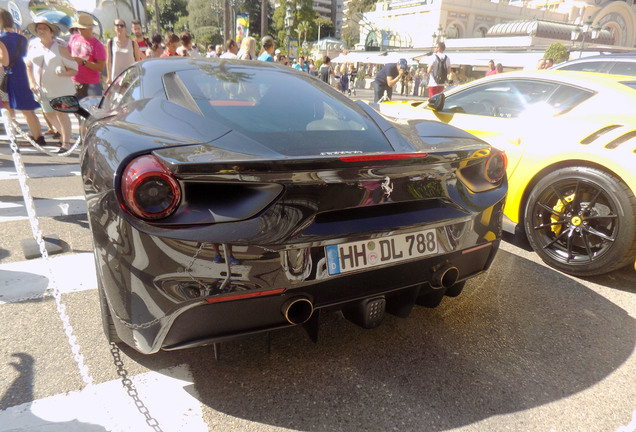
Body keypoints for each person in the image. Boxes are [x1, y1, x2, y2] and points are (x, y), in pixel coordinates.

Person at [25, 17, 77, 152]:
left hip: (60, 89)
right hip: (42, 90)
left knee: (61, 114)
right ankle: (65, 136)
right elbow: (28, 66)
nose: (41, 31)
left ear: (51, 32)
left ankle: (65, 143)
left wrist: (62, 73)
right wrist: (31, 81)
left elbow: (74, 68)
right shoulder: (33, 46)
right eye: (39, 29)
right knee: (48, 114)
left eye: (44, 28)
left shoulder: (60, 48)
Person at [0, 9, 46, 146]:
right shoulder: (21, 38)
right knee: (29, 110)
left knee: (24, 110)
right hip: (26, 73)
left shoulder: (2, 38)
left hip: (14, 76)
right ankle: (37, 135)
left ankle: (38, 137)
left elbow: (5, 61)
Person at [68, 13, 106, 99]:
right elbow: (67, 53)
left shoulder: (97, 45)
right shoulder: (74, 38)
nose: (80, 31)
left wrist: (83, 62)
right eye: (79, 28)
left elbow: (100, 67)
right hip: (75, 81)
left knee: (93, 110)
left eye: (83, 29)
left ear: (90, 28)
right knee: (76, 109)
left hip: (91, 84)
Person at [106, 19, 141, 86]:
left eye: (122, 26)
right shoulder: (110, 43)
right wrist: (109, 77)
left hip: (131, 79)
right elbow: (108, 61)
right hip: (116, 79)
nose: (119, 27)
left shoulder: (133, 44)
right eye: (117, 25)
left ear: (125, 28)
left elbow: (137, 61)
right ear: (114, 28)